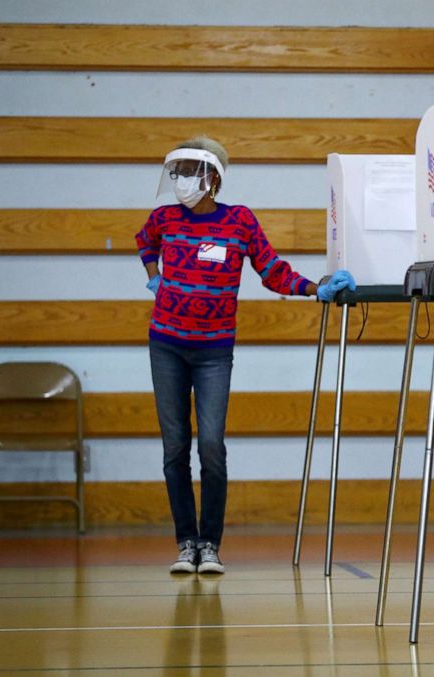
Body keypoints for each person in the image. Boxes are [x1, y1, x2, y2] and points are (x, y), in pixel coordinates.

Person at [136, 136, 355, 574]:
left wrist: (316, 289)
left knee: (211, 445)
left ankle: (210, 544)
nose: (180, 181)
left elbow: (272, 270)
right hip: (166, 345)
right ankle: (186, 542)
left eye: (189, 172)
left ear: (213, 177)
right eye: (175, 172)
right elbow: (144, 242)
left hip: (214, 350)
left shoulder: (238, 221)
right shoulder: (163, 217)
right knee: (175, 447)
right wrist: (154, 277)